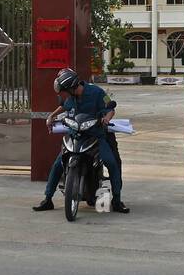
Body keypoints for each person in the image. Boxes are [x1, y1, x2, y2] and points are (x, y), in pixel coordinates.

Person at [33, 68, 128, 213]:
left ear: (71, 88)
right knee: (58, 165)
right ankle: (47, 199)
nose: (64, 95)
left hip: (95, 136)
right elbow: (64, 106)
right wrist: (51, 116)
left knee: (111, 163)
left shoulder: (97, 92)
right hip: (75, 136)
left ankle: (117, 200)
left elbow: (110, 109)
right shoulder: (70, 97)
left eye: (65, 91)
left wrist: (106, 119)